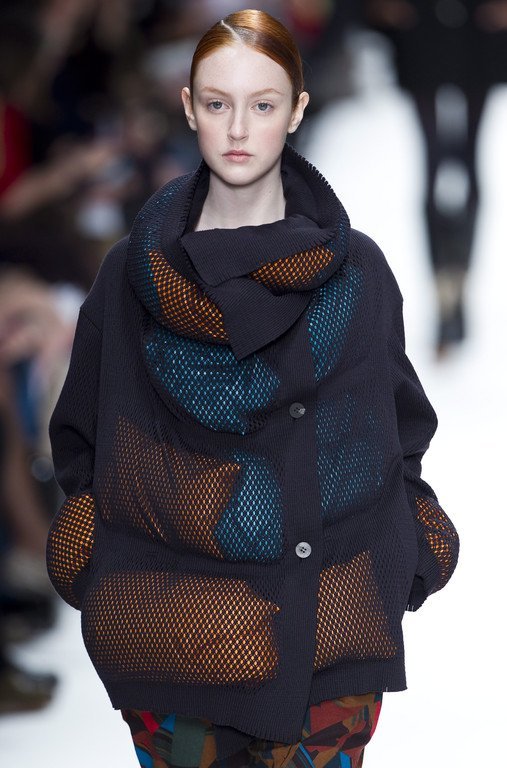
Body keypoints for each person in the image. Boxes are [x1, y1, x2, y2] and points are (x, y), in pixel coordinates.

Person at [46, 9, 459, 768]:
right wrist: (98, 552)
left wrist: (411, 542)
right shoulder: (129, 276)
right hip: (172, 647)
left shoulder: (358, 274)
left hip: (327, 646)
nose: (238, 128)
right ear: (188, 107)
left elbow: (397, 431)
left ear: (296, 111)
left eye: (262, 104)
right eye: (217, 102)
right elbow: (84, 442)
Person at [362, 0, 507, 356]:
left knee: (456, 167)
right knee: (443, 168)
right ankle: (446, 287)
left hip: (475, 37)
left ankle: (455, 284)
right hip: (424, 38)